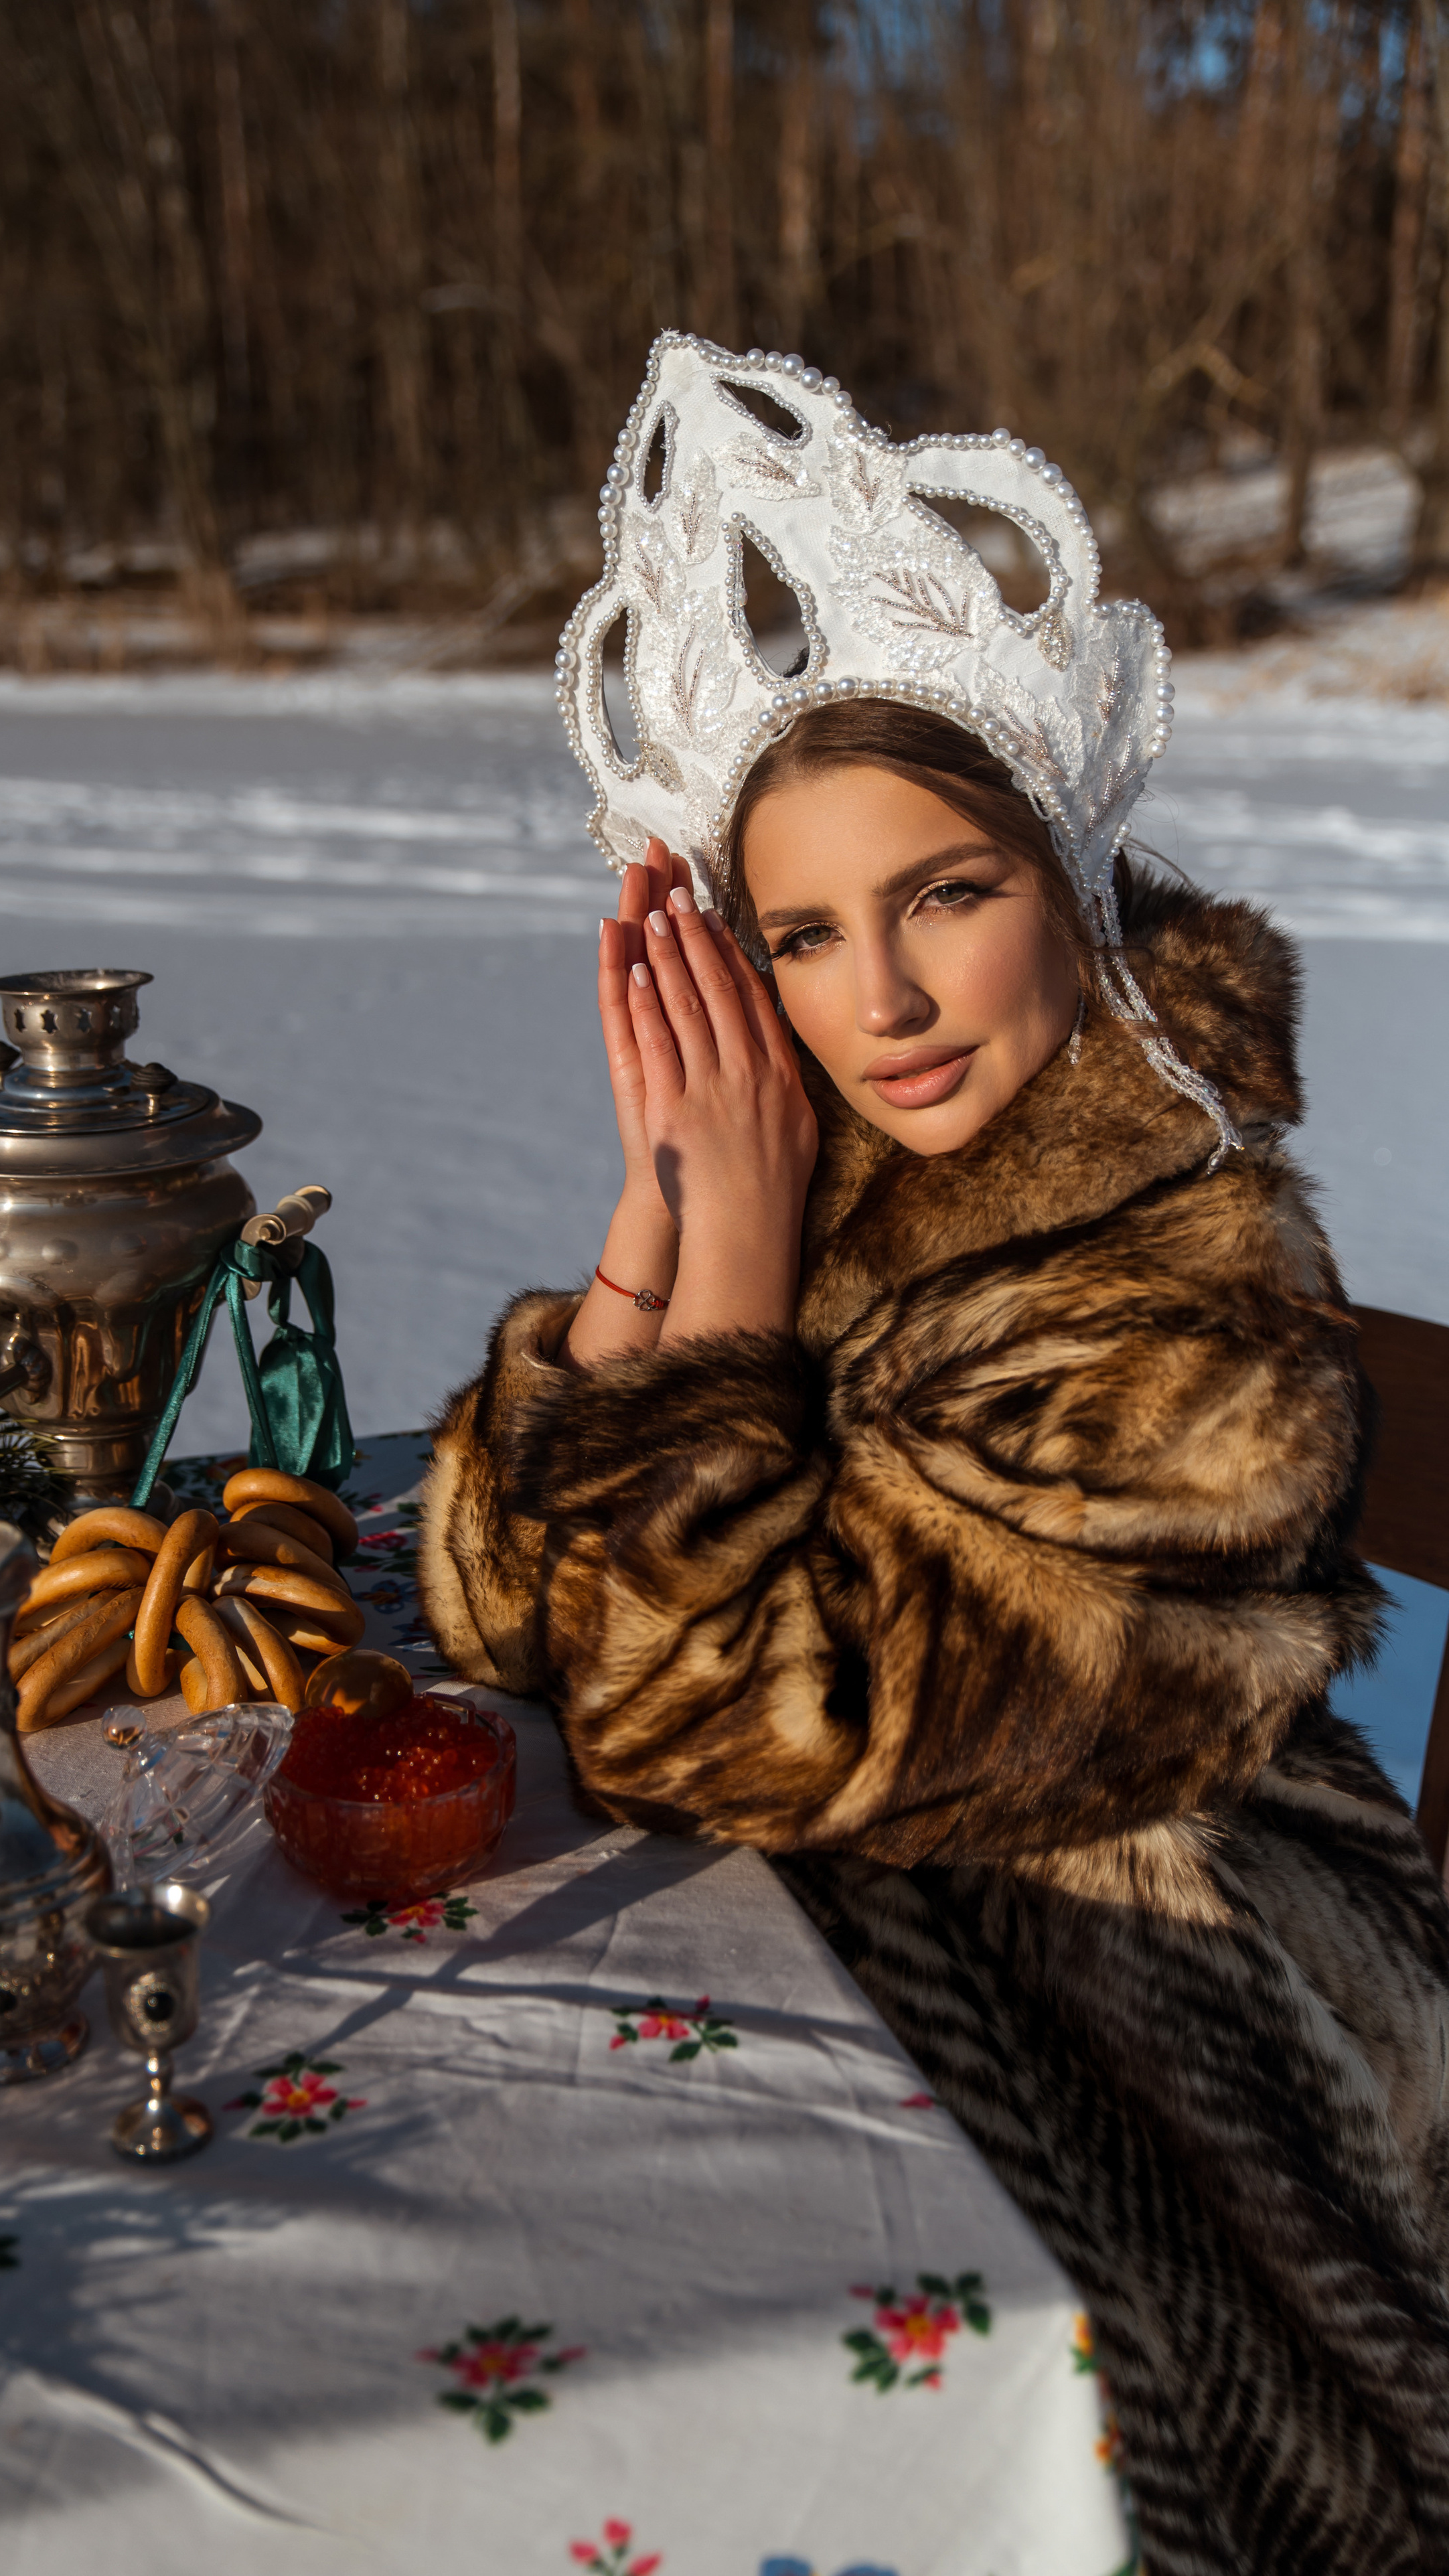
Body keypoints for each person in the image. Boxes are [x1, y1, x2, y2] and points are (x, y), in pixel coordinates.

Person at [418, 337, 1449, 2575]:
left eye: (943, 897)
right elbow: (507, 1623)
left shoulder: (1198, 1318)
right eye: (800, 934)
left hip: (1191, 2029)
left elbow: (706, 1727)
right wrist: (658, 1232)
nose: (876, 1001)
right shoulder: (837, 1182)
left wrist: (744, 1284)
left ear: (1070, 893)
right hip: (863, 1956)